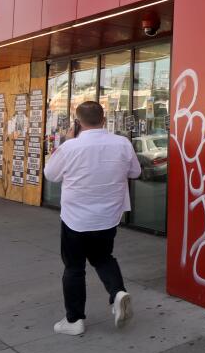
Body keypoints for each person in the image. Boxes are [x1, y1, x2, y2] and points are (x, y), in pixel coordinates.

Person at [44, 101, 139, 336]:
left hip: (75, 218)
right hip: (108, 217)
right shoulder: (122, 143)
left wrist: (66, 142)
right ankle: (117, 293)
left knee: (74, 268)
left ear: (77, 122)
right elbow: (135, 172)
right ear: (104, 119)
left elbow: (50, 174)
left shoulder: (70, 147)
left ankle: (74, 320)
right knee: (103, 257)